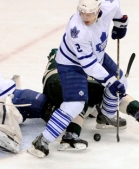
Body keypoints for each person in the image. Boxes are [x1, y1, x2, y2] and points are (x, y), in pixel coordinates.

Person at [28, 0, 129, 157]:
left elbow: (117, 9)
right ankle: (41, 142)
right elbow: (89, 66)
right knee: (75, 104)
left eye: (89, 14)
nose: (85, 17)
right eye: (82, 13)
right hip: (71, 64)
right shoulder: (78, 30)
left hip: (97, 56)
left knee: (122, 80)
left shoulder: (109, 5)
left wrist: (121, 23)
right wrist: (110, 81)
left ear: (98, 10)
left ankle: (106, 116)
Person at [42, 48, 139, 151]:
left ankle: (71, 135)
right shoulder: (82, 51)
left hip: (52, 87)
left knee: (80, 99)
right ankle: (70, 136)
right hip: (63, 82)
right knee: (112, 91)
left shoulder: (64, 53)